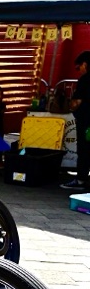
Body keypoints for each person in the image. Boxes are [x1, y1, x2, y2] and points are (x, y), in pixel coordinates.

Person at [61, 51, 90, 190]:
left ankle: (81, 179)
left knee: (84, 149)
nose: (79, 71)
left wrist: (70, 104)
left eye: (79, 68)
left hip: (86, 121)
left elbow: (76, 102)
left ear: (85, 64)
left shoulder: (85, 80)